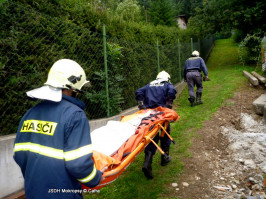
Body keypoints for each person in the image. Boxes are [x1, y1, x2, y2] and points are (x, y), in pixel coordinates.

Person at [13, 59, 105, 199]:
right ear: (70, 89)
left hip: (34, 192)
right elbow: (78, 164)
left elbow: (19, 155)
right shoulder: (75, 115)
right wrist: (96, 178)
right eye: (78, 90)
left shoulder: (30, 114)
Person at [135, 71, 177, 179]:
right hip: (161, 114)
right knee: (165, 134)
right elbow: (172, 91)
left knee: (152, 137)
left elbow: (139, 91)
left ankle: (147, 163)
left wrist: (141, 104)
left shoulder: (149, 85)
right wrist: (169, 102)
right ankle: (164, 158)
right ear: (167, 78)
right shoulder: (167, 84)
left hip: (150, 115)